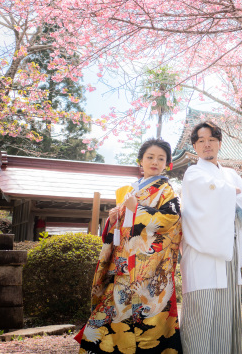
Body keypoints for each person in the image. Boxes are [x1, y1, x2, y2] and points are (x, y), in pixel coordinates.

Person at [76, 138, 183, 354]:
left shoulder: (167, 191)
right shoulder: (129, 190)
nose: (155, 162)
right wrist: (113, 220)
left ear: (167, 164)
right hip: (123, 265)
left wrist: (138, 211)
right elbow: (121, 231)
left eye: (161, 159)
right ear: (140, 161)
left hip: (149, 270)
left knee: (148, 324)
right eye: (150, 157)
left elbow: (171, 219)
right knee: (105, 317)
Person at [180, 121, 242, 354]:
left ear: (219, 143)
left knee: (226, 311)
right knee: (200, 314)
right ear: (194, 146)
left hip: (228, 248)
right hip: (201, 252)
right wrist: (228, 193)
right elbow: (214, 195)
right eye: (200, 141)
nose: (206, 145)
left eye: (211, 139)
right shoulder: (193, 172)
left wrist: (225, 194)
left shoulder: (231, 174)